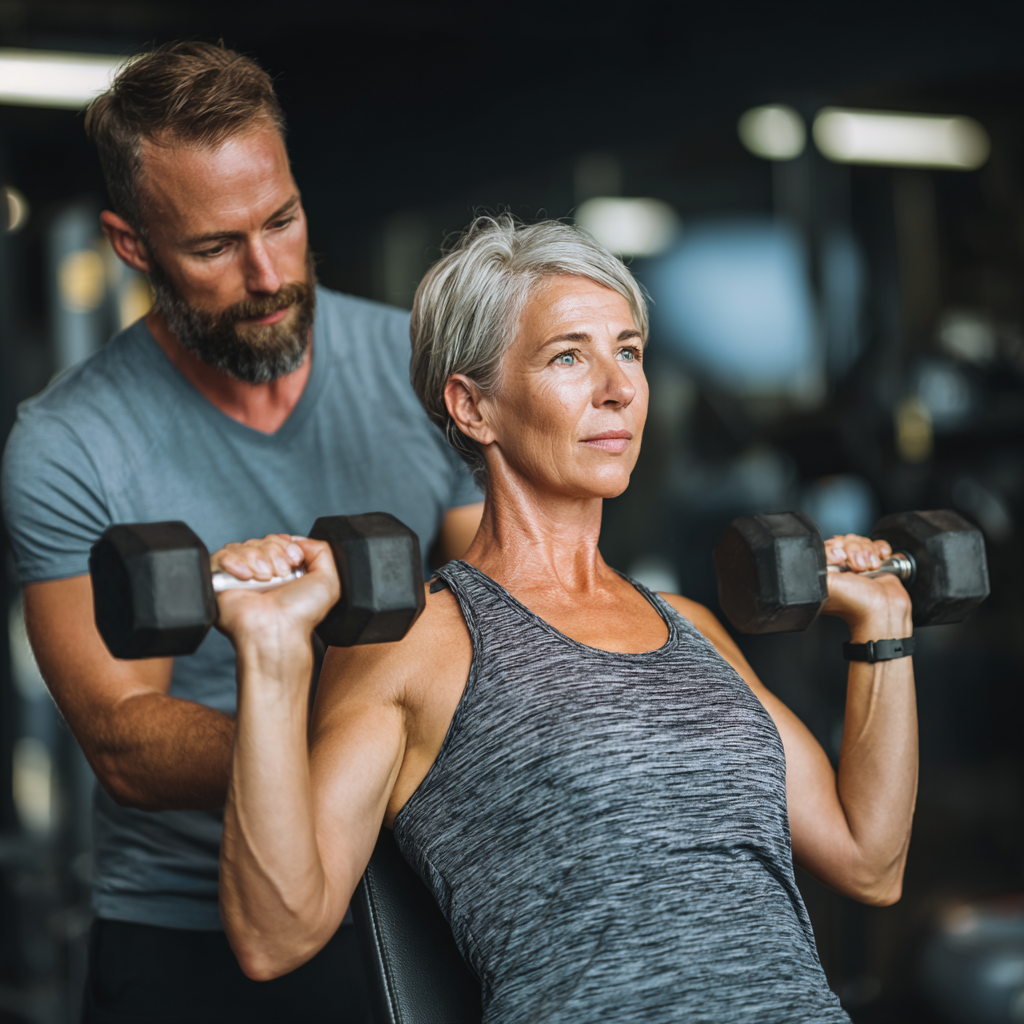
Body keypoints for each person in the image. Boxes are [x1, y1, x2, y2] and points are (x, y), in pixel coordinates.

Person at [210, 216, 918, 1023]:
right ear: (473, 407)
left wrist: (883, 627)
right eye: (569, 355)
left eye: (628, 351)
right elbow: (274, 936)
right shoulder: (419, 638)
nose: (617, 386)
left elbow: (871, 861)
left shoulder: (693, 627)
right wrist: (271, 653)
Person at [0, 42, 482, 1024]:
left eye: (283, 221)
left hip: (413, 897)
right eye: (215, 248)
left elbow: (497, 605)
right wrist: (366, 745)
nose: (267, 273)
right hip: (185, 931)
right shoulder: (66, 444)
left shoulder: (418, 367)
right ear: (132, 245)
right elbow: (126, 745)